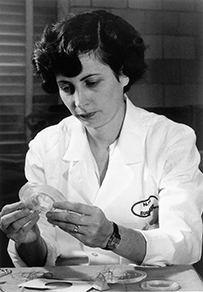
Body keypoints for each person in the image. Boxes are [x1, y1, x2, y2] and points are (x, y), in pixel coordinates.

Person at [0, 10, 203, 267]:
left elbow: (186, 244)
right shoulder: (46, 146)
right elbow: (41, 258)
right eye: (66, 87)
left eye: (92, 82)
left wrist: (112, 236)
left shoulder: (170, 139)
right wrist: (27, 241)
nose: (79, 102)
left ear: (123, 74)